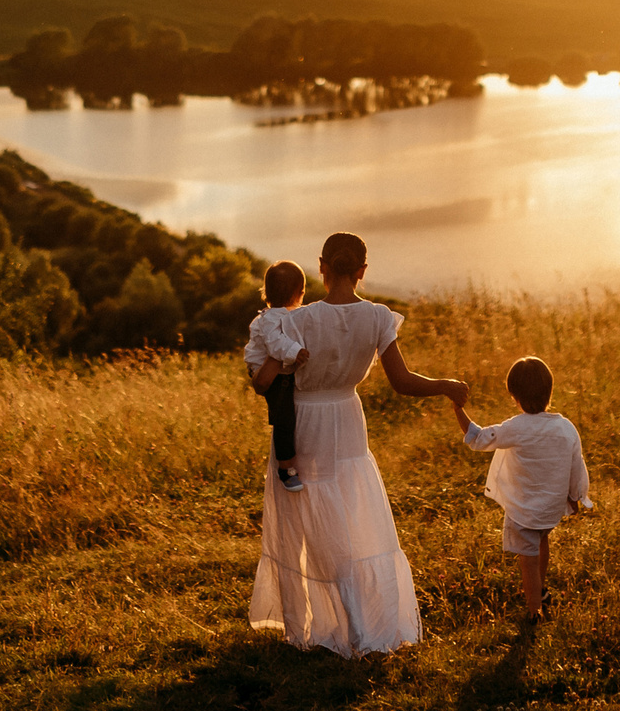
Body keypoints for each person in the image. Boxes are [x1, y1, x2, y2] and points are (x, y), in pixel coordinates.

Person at [247, 232, 466, 656]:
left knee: (300, 523)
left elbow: (266, 379)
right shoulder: (379, 317)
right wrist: (445, 386)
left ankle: (305, 624)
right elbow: (402, 383)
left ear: (322, 268)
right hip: (348, 419)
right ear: (362, 272)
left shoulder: (295, 320)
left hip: (304, 420)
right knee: (349, 516)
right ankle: (362, 618)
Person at [451, 355, 591, 621]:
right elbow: (577, 464)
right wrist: (576, 497)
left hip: (524, 511)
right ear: (550, 390)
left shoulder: (516, 427)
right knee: (542, 540)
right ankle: (542, 588)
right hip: (551, 510)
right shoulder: (566, 427)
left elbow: (479, 438)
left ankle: (534, 610)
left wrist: (459, 409)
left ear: (514, 395)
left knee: (527, 559)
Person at [245, 260, 309, 492]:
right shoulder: (271, 318)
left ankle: (291, 462)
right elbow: (274, 345)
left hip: (281, 373)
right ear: (299, 293)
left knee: (291, 417)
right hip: (269, 374)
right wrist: (295, 352)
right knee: (284, 419)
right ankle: (286, 468)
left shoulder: (288, 314)